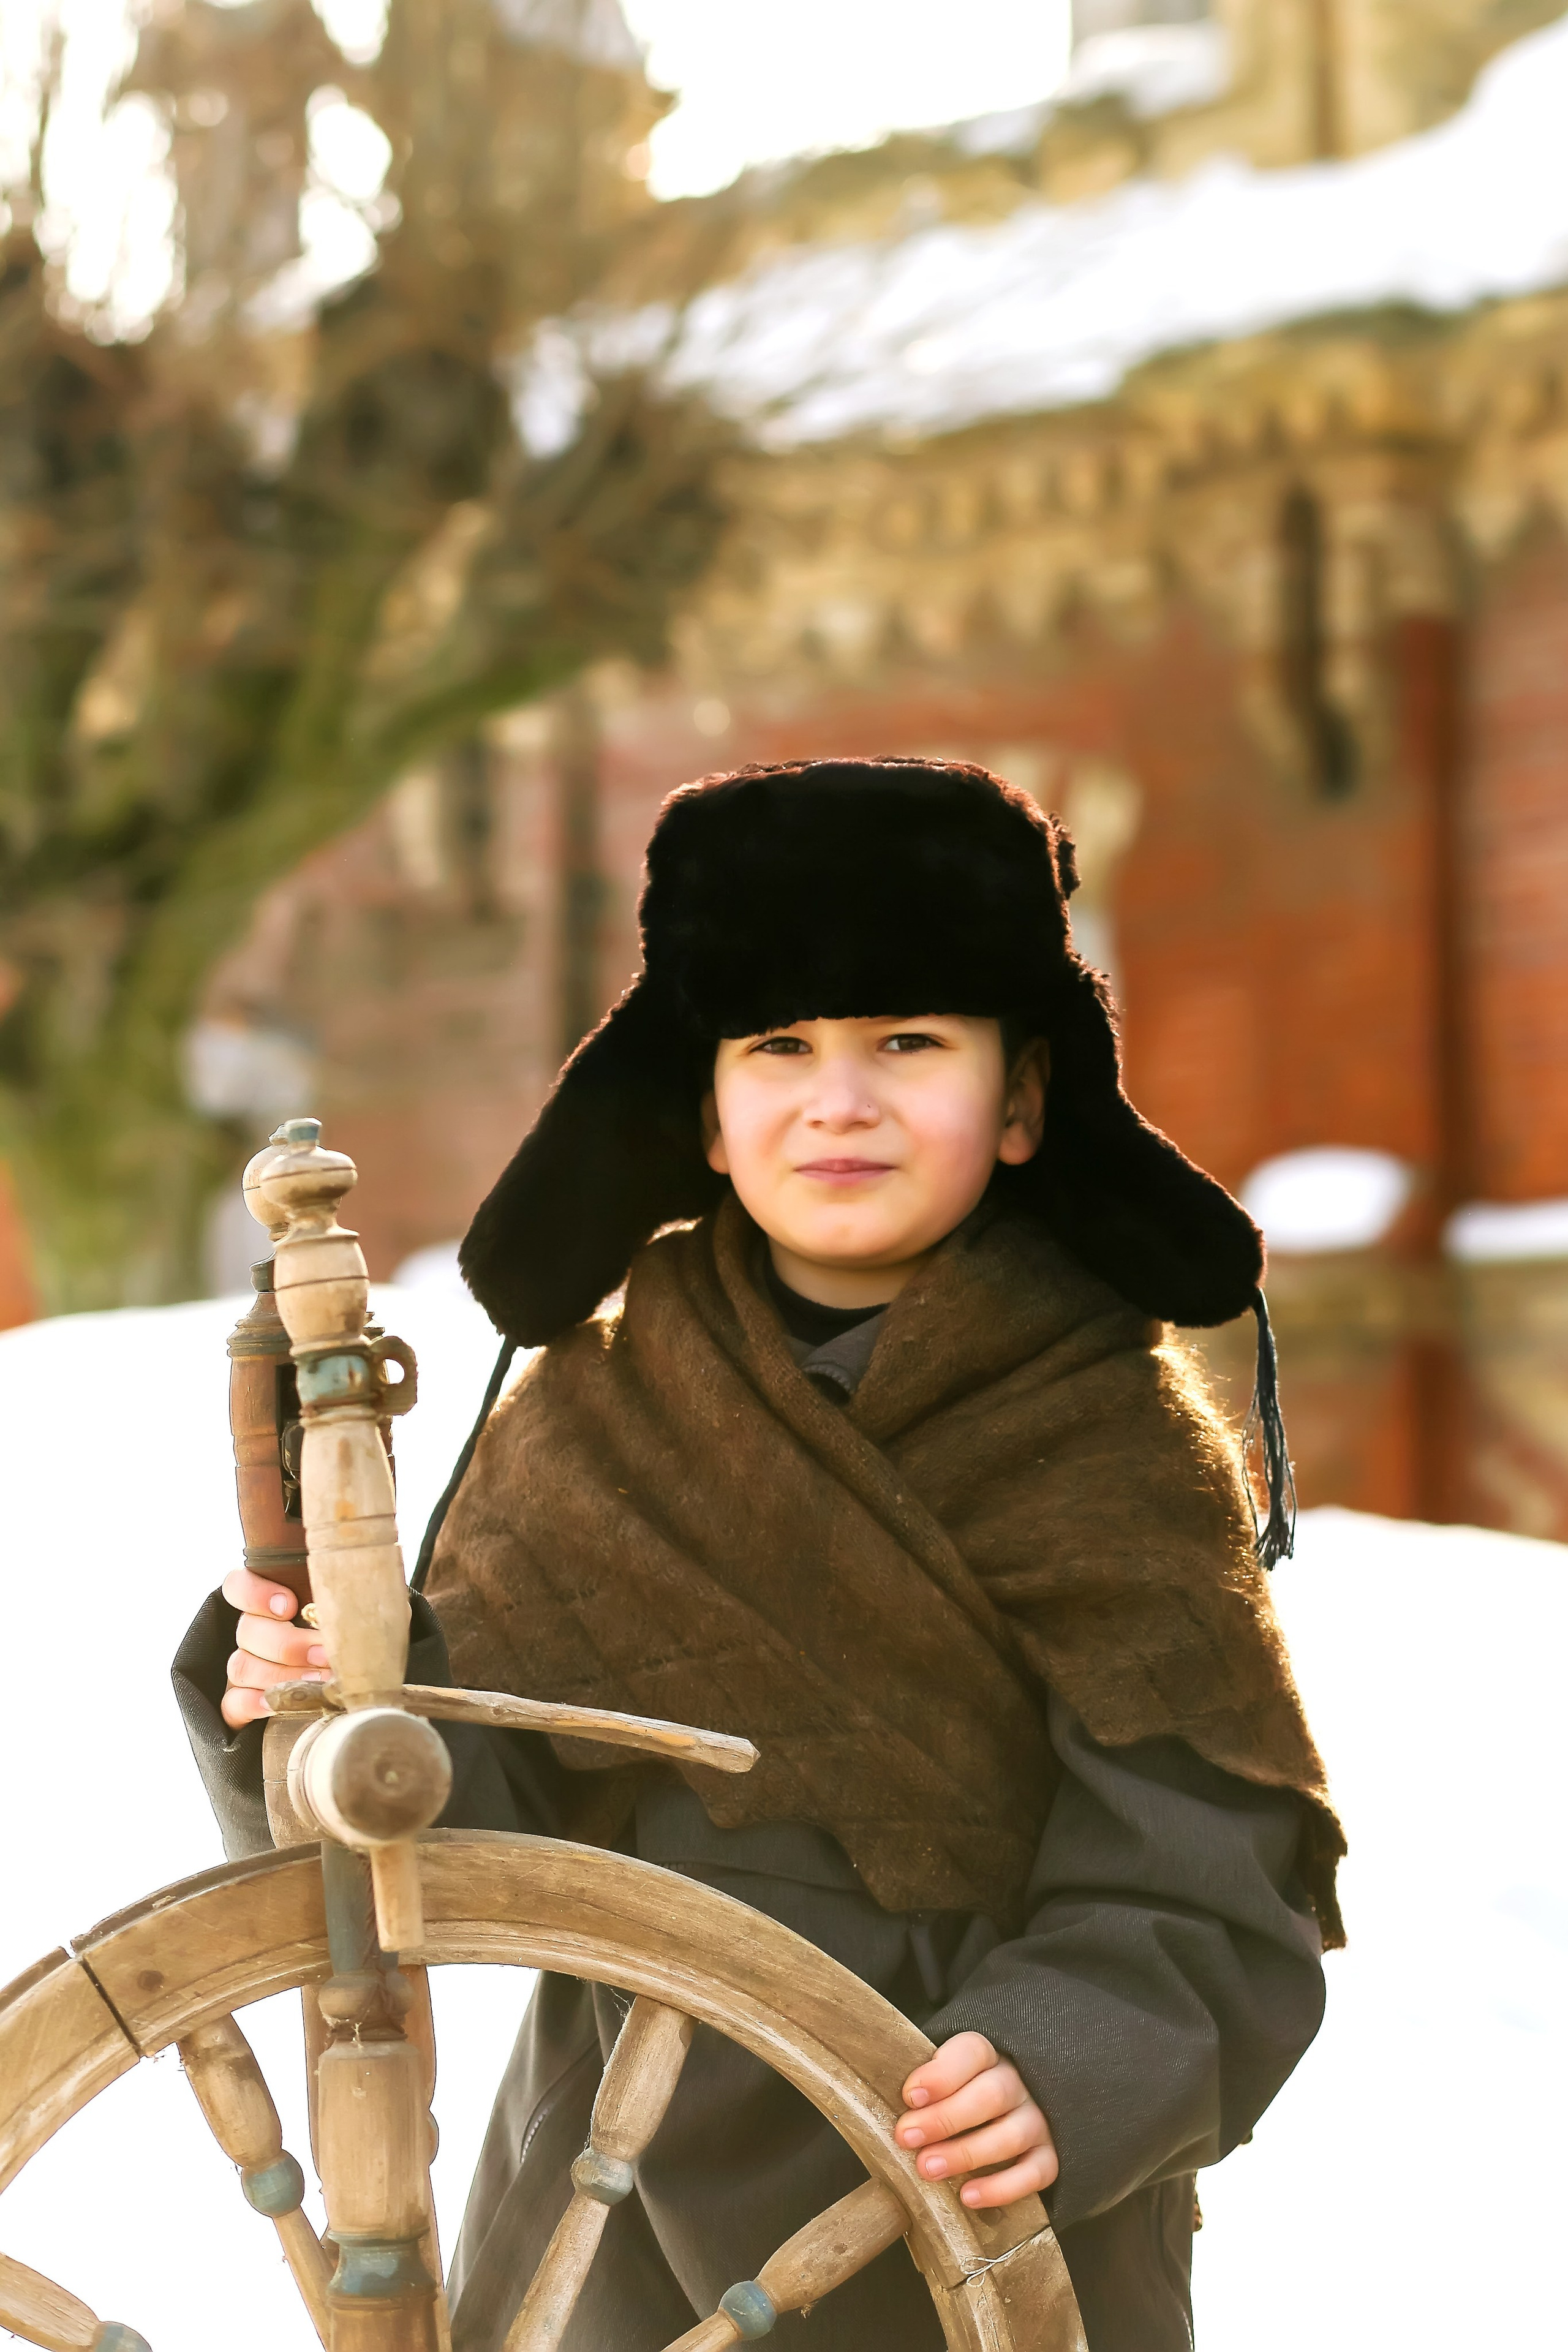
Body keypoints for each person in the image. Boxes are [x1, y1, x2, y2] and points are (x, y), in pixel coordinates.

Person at [175, 758, 1343, 2352]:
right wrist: (321, 1698)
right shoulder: (595, 1421)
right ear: (707, 1116)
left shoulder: (1119, 1447)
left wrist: (1067, 2057)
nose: (838, 1102)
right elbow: (450, 1838)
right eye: (778, 1047)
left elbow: (1208, 1880)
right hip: (617, 2246)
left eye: (908, 1043)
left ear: (1021, 1102)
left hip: (974, 2214)